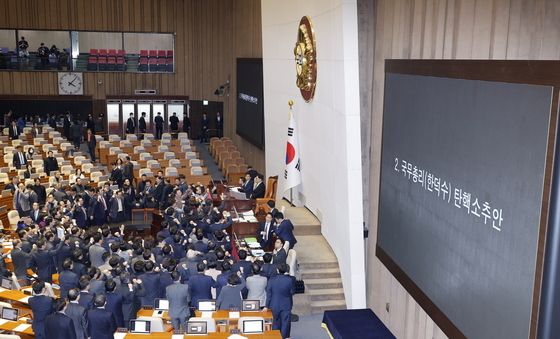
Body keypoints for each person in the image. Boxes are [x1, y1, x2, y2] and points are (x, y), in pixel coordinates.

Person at [264, 264, 295, 339]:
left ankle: (275, 337)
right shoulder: (289, 280)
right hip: (286, 304)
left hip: (274, 304)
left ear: (277, 270)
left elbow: (269, 295)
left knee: (275, 323)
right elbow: (292, 292)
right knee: (285, 324)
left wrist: (266, 306)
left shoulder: (271, 280)